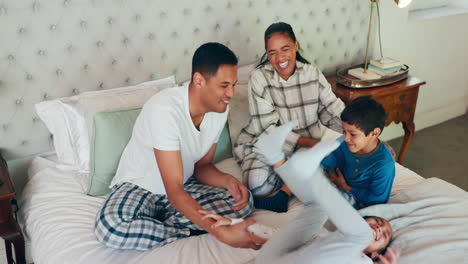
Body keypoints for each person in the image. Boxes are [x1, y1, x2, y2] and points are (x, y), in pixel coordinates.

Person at [94, 43, 266, 251]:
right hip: (140, 188)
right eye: (224, 85)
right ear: (199, 80)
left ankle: (168, 223)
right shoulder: (164, 110)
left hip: (184, 186)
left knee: (243, 202)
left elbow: (202, 166)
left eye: (233, 84)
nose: (231, 93)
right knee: (111, 228)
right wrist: (220, 232)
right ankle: (184, 228)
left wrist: (228, 181)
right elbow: (173, 190)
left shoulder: (219, 110)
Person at [234, 22, 345, 213]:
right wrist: (309, 144)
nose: (279, 58)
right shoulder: (259, 78)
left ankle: (284, 192)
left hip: (307, 146)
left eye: (285, 49)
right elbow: (267, 128)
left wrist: (363, 134)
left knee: (339, 165)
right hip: (268, 142)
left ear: (296, 45)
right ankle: (296, 178)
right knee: (257, 185)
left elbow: (332, 108)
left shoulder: (312, 73)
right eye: (272, 52)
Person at [252, 122, 401, 264]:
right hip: (269, 259)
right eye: (377, 221)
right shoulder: (329, 237)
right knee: (319, 207)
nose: (379, 228)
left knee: (362, 235)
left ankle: (309, 172)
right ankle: (274, 154)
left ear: (376, 254)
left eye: (384, 235)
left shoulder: (365, 259)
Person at [321, 96, 396, 209]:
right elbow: (328, 164)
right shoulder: (343, 144)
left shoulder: (384, 164)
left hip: (361, 203)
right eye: (344, 131)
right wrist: (332, 175)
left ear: (374, 133)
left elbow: (378, 199)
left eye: (353, 134)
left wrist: (345, 187)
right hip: (338, 189)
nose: (346, 138)